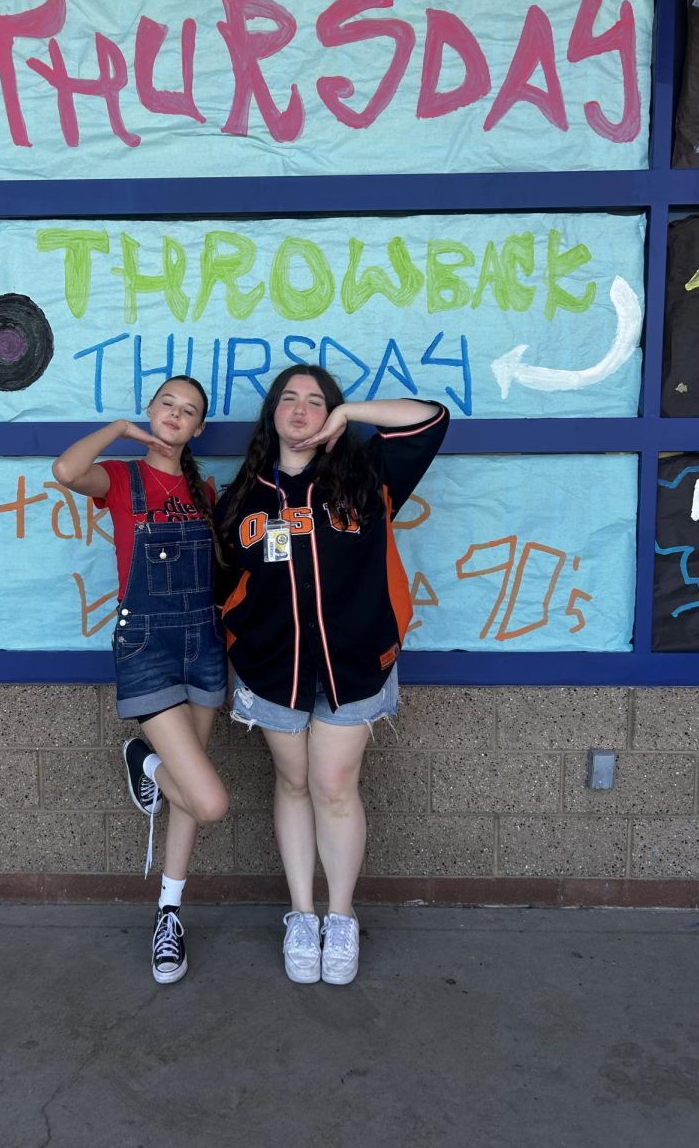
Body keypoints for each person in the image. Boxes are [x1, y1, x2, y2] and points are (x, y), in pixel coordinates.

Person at [215, 365, 448, 985]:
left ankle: (340, 917)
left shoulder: (366, 476)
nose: (300, 409)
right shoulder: (240, 497)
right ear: (270, 414)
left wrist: (353, 416)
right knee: (293, 785)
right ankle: (301, 915)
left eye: (316, 401)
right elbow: (223, 587)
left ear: (330, 415)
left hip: (353, 665)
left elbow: (430, 417)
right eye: (287, 398)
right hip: (273, 671)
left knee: (334, 785)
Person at [53, 375, 228, 985]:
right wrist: (123, 433)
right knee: (207, 799)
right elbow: (66, 470)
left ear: (200, 428)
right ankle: (144, 761)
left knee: (192, 791)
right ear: (151, 411)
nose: (175, 416)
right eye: (166, 406)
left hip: (204, 647)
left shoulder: (205, 492)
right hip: (147, 647)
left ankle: (169, 914)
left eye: (189, 412)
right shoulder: (123, 478)